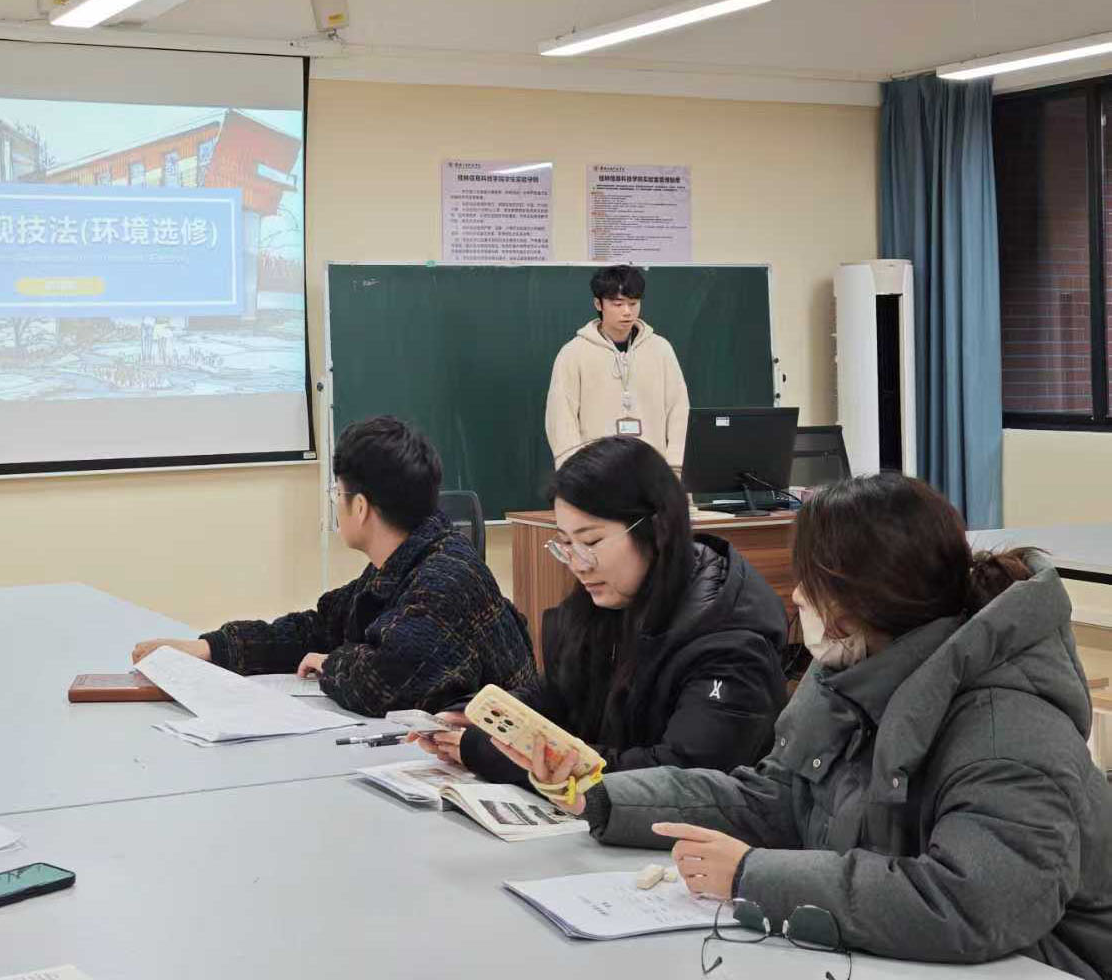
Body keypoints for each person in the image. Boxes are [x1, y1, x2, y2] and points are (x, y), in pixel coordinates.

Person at [505, 473, 1112, 979]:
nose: (797, 595)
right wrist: (603, 792)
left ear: (863, 597)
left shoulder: (1007, 727)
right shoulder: (851, 672)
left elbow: (976, 902)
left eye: (812, 582)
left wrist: (753, 876)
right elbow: (776, 798)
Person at [415, 435, 786, 783]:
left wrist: (501, 756)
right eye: (565, 544)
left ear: (657, 530)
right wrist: (489, 714)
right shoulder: (611, 603)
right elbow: (562, 693)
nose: (577, 564)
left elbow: (678, 776)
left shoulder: (729, 643)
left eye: (590, 542)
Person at [131, 416, 537, 716]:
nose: (335, 503)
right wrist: (210, 648)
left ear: (360, 507)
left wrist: (330, 662)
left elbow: (382, 684)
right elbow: (320, 628)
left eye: (336, 493)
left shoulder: (445, 577)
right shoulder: (406, 559)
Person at [545, 263, 689, 470]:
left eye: (633, 303)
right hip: (596, 473)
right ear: (598, 304)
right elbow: (561, 418)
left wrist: (676, 466)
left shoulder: (660, 349)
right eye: (618, 304)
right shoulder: (573, 353)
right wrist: (574, 472)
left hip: (652, 471)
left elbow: (679, 410)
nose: (627, 312)